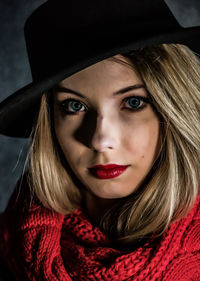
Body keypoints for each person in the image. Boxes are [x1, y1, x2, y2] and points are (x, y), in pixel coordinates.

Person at [0, 0, 200, 280]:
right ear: (50, 123)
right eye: (74, 106)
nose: (99, 140)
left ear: (175, 108)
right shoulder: (8, 246)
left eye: (133, 102)